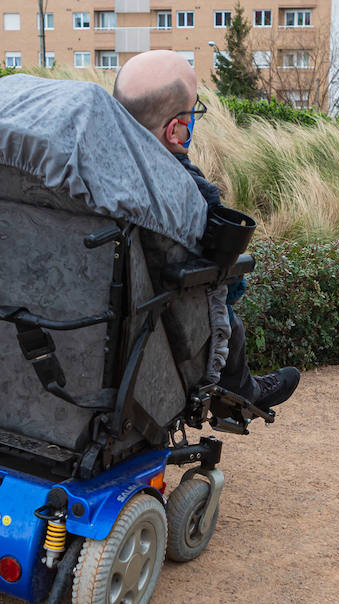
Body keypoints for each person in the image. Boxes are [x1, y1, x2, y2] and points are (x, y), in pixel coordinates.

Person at [113, 50, 299, 411]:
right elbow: (222, 270)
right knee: (226, 295)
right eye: (192, 113)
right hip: (157, 327)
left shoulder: (73, 172)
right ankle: (239, 390)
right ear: (175, 130)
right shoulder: (189, 191)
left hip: (77, 324)